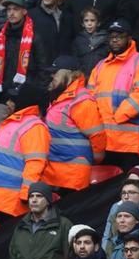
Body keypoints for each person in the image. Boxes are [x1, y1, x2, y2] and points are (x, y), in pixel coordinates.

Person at [87, 19, 139, 167]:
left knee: (130, 186)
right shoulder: (100, 66)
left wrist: (119, 115)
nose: (114, 40)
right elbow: (89, 99)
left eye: (119, 37)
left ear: (129, 38)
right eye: (111, 37)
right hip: (103, 141)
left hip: (128, 141)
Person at [0, 83, 50, 216]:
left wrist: (27, 195)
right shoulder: (12, 123)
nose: (8, 103)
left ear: (25, 101)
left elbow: (35, 164)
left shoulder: (34, 127)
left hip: (9, 201)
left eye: (13, 99)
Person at [42, 55, 106, 191]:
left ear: (69, 74)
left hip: (72, 176)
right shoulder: (60, 96)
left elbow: (97, 135)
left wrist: (94, 160)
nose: (52, 76)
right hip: (55, 173)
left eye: (56, 72)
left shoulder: (81, 100)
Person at [8, 183, 73, 259]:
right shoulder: (21, 225)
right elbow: (13, 258)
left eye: (39, 196)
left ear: (48, 201)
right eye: (31, 196)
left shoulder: (63, 224)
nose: (34, 200)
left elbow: (70, 257)